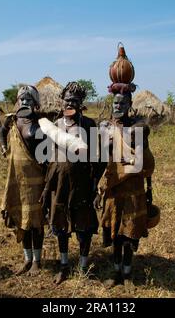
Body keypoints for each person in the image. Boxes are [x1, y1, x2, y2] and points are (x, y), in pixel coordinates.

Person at [95, 82, 156, 287]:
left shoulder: (138, 127)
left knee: (129, 233)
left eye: (122, 103)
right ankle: (116, 272)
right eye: (115, 103)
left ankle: (128, 274)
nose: (117, 107)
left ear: (129, 104)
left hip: (133, 189)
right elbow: (101, 160)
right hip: (113, 187)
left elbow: (145, 161)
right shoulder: (105, 127)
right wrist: (97, 187)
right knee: (115, 235)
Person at [40, 82, 100, 285]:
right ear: (62, 101)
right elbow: (47, 156)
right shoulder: (55, 125)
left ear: (81, 103)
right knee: (61, 224)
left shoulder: (89, 125)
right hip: (60, 184)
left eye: (75, 100)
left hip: (83, 184)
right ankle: (64, 266)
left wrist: (95, 185)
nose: (70, 103)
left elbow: (97, 158)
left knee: (84, 226)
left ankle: (84, 267)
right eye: (67, 99)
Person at [0, 85, 47, 277]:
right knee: (22, 221)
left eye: (29, 100)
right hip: (16, 180)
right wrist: (4, 149)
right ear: (17, 101)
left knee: (35, 223)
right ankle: (27, 259)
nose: (25, 102)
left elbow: (48, 151)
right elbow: (1, 134)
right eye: (22, 99)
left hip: (35, 181)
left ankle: (37, 261)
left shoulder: (40, 124)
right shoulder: (11, 121)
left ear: (35, 104)